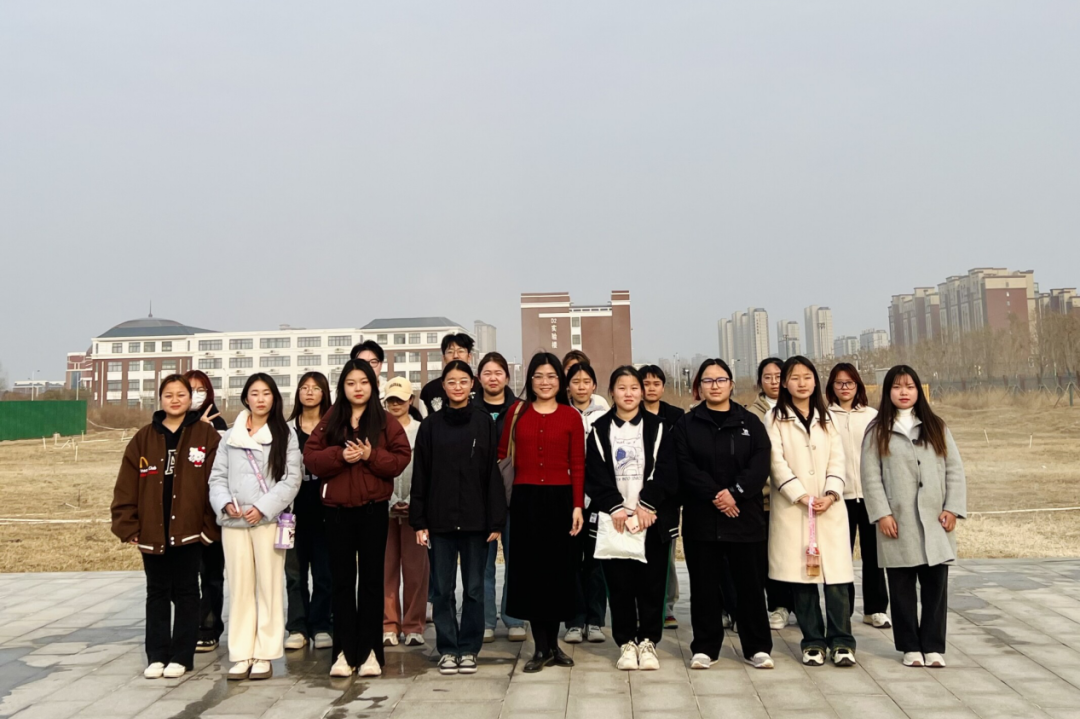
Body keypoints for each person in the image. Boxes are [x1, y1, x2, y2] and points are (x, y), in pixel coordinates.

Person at [303, 359, 412, 678]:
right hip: (336, 511)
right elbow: (311, 457)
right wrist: (340, 456)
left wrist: (370, 455)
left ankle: (370, 653)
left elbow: (401, 458)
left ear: (372, 385)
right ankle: (342, 652)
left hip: (373, 510)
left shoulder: (384, 420)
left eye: (363, 382)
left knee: (371, 581)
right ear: (343, 387)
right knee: (342, 581)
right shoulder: (331, 418)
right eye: (351, 383)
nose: (358, 388)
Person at [111, 375, 222, 680]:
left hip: (190, 531)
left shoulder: (206, 435)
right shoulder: (144, 438)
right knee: (157, 592)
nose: (175, 400)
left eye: (181, 394)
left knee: (187, 592)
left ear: (191, 399)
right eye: (169, 395)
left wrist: (208, 529)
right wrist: (128, 525)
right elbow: (126, 486)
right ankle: (157, 655)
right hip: (153, 531)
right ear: (160, 399)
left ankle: (182, 656)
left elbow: (218, 483)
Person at [861, 365, 966, 668]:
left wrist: (952, 508)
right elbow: (870, 477)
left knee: (935, 587)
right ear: (887, 392)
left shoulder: (935, 426)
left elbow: (954, 470)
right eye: (897, 387)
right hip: (898, 521)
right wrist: (882, 514)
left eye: (909, 386)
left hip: (935, 520)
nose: (903, 392)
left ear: (918, 390)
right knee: (901, 588)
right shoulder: (877, 431)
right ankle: (909, 646)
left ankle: (932, 646)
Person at [674, 360, 774, 671]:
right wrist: (718, 495)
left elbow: (760, 463)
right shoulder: (686, 425)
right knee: (704, 587)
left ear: (731, 384)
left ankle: (757, 647)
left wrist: (736, 492)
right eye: (708, 380)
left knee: (750, 586)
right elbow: (684, 466)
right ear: (698, 387)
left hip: (744, 518)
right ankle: (705, 647)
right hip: (702, 519)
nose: (714, 386)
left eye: (720, 380)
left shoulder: (750, 422)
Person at [411, 361, 507, 675]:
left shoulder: (483, 422)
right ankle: (448, 649)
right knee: (442, 590)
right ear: (443, 386)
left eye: (463, 381)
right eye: (451, 382)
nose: (457, 387)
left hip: (476, 521)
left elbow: (491, 473)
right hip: (439, 521)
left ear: (472, 384)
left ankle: (469, 648)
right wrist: (419, 520)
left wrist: (496, 520)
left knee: (475, 589)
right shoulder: (430, 426)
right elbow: (421, 474)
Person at [207, 374, 302, 681]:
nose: (260, 399)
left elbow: (291, 480)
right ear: (245, 398)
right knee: (240, 588)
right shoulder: (230, 436)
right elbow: (216, 477)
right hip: (234, 523)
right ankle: (241, 653)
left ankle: (265, 653)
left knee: (268, 587)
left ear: (275, 398)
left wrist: (262, 507)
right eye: (254, 393)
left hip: (267, 521)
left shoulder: (286, 434)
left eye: (266, 393)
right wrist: (224, 503)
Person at [586, 366, 678, 671]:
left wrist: (647, 506)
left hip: (651, 519)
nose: (629, 393)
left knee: (652, 585)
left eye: (634, 388)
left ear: (642, 392)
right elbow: (595, 474)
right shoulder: (599, 429)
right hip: (616, 521)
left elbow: (667, 471)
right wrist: (615, 507)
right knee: (619, 586)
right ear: (612, 392)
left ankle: (649, 642)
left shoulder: (660, 427)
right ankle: (626, 643)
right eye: (622, 388)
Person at [765, 356, 855, 668]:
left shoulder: (828, 417)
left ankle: (842, 641)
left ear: (816, 381)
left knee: (837, 579)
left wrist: (831, 493)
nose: (802, 383)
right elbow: (775, 462)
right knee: (802, 579)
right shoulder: (774, 418)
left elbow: (838, 460)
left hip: (828, 509)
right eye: (794, 377)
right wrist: (799, 494)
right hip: (794, 509)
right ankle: (813, 641)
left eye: (807, 377)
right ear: (784, 383)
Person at [499, 352, 585, 673]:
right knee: (531, 573)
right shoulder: (516, 413)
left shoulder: (570, 416)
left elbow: (578, 463)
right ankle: (540, 647)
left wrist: (577, 505)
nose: (545, 382)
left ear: (560, 381)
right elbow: (502, 456)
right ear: (530, 380)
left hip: (561, 500)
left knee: (558, 572)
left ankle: (554, 646)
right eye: (538, 376)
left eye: (551, 376)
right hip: (525, 499)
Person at [826, 363, 888, 629]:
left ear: (858, 386)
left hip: (870, 495)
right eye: (839, 383)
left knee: (874, 556)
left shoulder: (872, 416)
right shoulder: (824, 417)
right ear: (832, 387)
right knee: (842, 557)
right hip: (840, 498)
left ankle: (875, 609)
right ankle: (843, 611)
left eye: (849, 383)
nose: (844, 388)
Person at [473, 352, 528, 643]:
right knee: (483, 563)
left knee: (517, 560)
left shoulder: (521, 410)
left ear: (507, 377)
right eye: (487, 373)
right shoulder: (469, 409)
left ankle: (514, 617)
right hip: (480, 497)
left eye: (498, 373)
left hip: (515, 495)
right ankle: (485, 619)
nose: (493, 378)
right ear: (478, 378)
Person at [284, 372, 334, 652]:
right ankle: (297, 626)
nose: (309, 392)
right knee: (295, 573)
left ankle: (322, 624)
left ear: (324, 393)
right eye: (304, 387)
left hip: (325, 510)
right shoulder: (286, 429)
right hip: (291, 513)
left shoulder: (333, 428)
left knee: (325, 573)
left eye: (315, 388)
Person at [182, 369, 229, 654]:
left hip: (211, 511)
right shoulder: (173, 423)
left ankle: (209, 627)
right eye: (190, 389)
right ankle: (187, 627)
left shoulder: (217, 421)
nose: (195, 394)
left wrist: (206, 431)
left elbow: (223, 465)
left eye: (201, 389)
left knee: (211, 574)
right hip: (183, 511)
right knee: (184, 575)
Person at [746, 358, 794, 631]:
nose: (774, 381)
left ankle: (800, 605)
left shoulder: (801, 408)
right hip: (767, 497)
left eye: (779, 376)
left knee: (796, 552)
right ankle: (778, 605)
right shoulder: (752, 414)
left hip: (799, 498)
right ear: (760, 381)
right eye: (768, 377)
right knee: (770, 556)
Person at [564, 362, 609, 644]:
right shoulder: (561, 412)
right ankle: (573, 621)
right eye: (575, 381)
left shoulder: (605, 414)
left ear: (594, 385)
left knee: (596, 561)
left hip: (597, 497)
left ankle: (595, 621)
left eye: (586, 381)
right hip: (568, 496)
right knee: (570, 560)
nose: (581, 387)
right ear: (568, 386)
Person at [383, 376, 427, 648]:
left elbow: (429, 469)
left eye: (400, 399)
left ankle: (413, 625)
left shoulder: (423, 430)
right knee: (385, 570)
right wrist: (390, 499)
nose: (395, 404)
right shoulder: (377, 429)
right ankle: (388, 624)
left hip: (416, 511)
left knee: (416, 571)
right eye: (391, 400)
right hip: (384, 509)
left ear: (410, 400)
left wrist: (412, 500)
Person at [640, 364, 684, 630]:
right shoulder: (631, 415)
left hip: (666, 499)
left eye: (656, 383)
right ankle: (640, 606)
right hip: (637, 498)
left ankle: (667, 606)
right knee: (637, 554)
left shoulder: (676, 417)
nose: (651, 388)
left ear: (663, 387)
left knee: (665, 556)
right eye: (646, 384)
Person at [420, 333, 474, 415]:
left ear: (469, 357)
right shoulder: (429, 389)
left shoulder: (481, 387)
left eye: (460, 351)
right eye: (450, 352)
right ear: (444, 358)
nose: (455, 356)